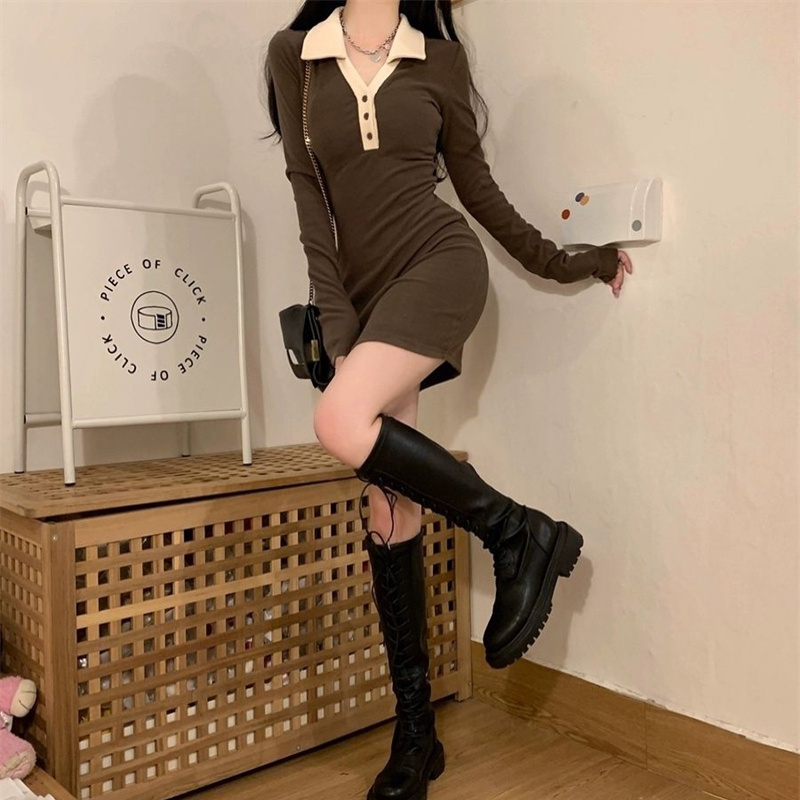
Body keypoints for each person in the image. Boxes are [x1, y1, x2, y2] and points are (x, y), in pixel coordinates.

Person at [264, 2, 633, 798]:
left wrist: (574, 262)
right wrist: (340, 331)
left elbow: (479, 194)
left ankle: (517, 531)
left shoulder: (439, 62)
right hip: (363, 297)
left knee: (337, 422)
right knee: (387, 507)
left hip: (439, 265)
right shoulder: (295, 55)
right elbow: (309, 204)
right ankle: (417, 736)